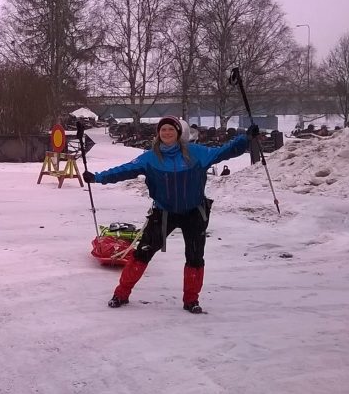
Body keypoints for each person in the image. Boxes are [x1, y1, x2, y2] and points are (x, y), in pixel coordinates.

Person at [82, 116, 258, 314]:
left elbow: (225, 151)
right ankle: (121, 294)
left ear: (178, 132)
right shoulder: (150, 158)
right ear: (158, 133)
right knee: (142, 253)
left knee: (195, 257)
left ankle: (191, 300)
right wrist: (98, 177)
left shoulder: (197, 153)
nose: (167, 133)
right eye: (163, 130)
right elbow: (124, 170)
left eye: (171, 129)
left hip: (194, 212)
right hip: (163, 213)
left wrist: (245, 138)